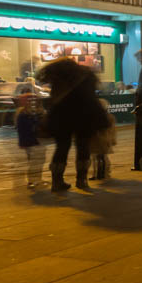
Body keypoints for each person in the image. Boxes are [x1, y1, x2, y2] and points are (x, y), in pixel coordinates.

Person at [36, 58, 109, 192]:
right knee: (83, 147)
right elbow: (91, 95)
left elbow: (53, 97)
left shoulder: (58, 78)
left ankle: (57, 182)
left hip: (61, 118)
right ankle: (82, 180)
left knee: (62, 148)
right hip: (84, 117)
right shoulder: (86, 75)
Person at [14, 90, 47, 189]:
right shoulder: (23, 113)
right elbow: (21, 129)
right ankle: (32, 181)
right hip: (30, 141)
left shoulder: (41, 111)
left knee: (41, 161)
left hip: (40, 140)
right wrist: (22, 142)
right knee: (33, 162)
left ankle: (38, 179)